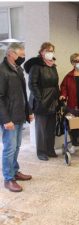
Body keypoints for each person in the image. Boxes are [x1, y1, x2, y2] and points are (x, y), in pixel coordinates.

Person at [0, 43, 33, 192]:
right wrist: (6, 120)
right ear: (11, 54)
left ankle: (15, 171)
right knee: (9, 148)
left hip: (20, 115)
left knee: (17, 146)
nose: (23, 57)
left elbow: (23, 94)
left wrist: (28, 111)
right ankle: (8, 178)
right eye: (21, 55)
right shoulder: (2, 71)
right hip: (10, 118)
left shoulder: (18, 69)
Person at [25, 42, 59, 161]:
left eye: (52, 51)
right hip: (41, 100)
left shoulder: (53, 65)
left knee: (51, 128)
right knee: (41, 129)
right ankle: (41, 152)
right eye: (48, 50)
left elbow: (55, 84)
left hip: (52, 100)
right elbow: (32, 84)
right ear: (42, 52)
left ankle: (50, 149)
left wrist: (58, 98)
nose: (50, 53)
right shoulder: (36, 66)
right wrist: (40, 98)